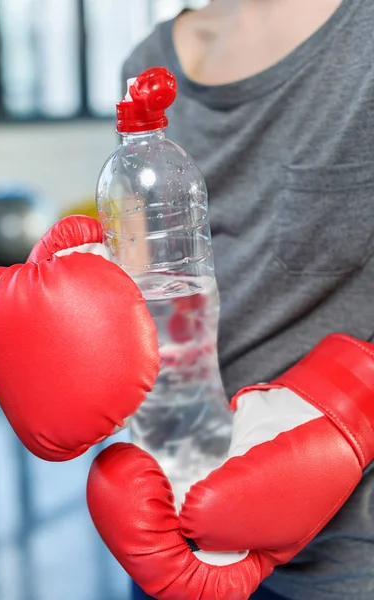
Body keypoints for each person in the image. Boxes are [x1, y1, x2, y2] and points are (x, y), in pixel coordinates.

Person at [118, 0, 374, 598]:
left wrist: (352, 410)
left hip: (347, 559)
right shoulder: (148, 65)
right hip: (172, 529)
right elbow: (141, 289)